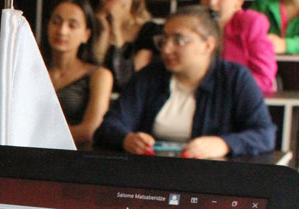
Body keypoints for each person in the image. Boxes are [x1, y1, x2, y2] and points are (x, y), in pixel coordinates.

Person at [94, 6, 275, 158]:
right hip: (152, 172)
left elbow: (264, 134)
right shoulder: (149, 76)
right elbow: (108, 126)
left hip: (212, 175)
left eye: (179, 40)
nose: (166, 49)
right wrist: (127, 139)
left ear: (208, 45)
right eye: (164, 40)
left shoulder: (235, 78)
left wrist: (224, 144)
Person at [45, 0, 113, 146]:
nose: (62, 31)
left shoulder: (99, 75)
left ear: (86, 35)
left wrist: (38, 136)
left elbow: (90, 130)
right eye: (56, 22)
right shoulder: (31, 71)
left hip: (76, 155)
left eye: (72, 25)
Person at [92, 0, 161, 91]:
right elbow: (91, 68)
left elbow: (129, 76)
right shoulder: (90, 26)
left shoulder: (149, 30)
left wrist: (116, 29)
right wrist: (103, 32)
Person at [211, 0, 277, 94]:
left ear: (239, 2)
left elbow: (264, 79)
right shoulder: (194, 24)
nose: (212, 3)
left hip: (238, 96)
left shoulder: (251, 22)